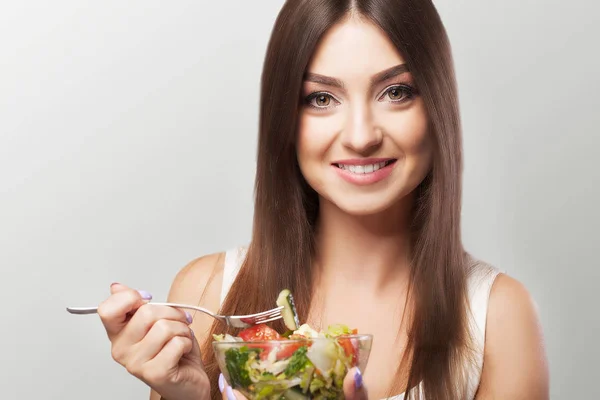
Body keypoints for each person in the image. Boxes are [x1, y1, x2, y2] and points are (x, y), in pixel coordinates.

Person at [96, 1, 550, 399]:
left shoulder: (497, 317)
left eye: (396, 92)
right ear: (285, 122)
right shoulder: (205, 290)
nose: (360, 136)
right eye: (321, 98)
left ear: (437, 107)